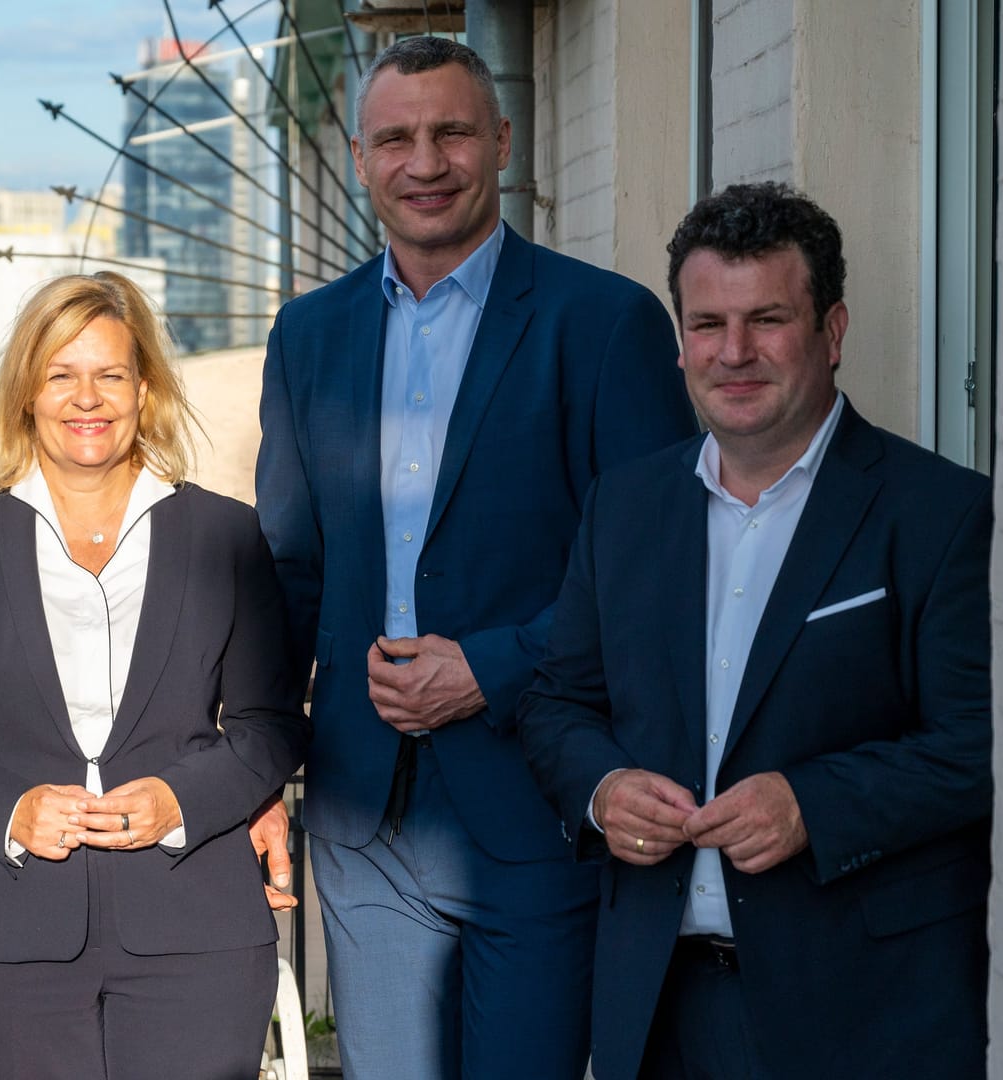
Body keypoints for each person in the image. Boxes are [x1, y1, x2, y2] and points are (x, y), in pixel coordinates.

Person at [255, 35, 697, 1080]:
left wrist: (492, 666)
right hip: (365, 818)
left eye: (453, 132)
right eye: (397, 138)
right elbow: (288, 572)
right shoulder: (307, 335)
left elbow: (660, 570)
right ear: (360, 158)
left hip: (534, 811)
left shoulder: (605, 324)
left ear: (501, 141)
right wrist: (262, 765)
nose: (427, 162)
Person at [519, 182, 993, 1079]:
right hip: (658, 1005)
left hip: (859, 1007)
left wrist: (814, 804)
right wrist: (604, 786)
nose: (734, 352)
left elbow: (976, 746)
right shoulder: (624, 505)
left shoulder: (938, 511)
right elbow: (557, 704)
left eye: (767, 319)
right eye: (707, 324)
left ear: (833, 330)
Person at [0, 272, 309, 1079]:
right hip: (8, 935)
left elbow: (271, 724)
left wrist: (182, 798)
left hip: (195, 927)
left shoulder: (224, 533)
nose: (86, 397)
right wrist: (12, 812)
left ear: (145, 388)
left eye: (110, 374)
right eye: (60, 374)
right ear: (26, 392)